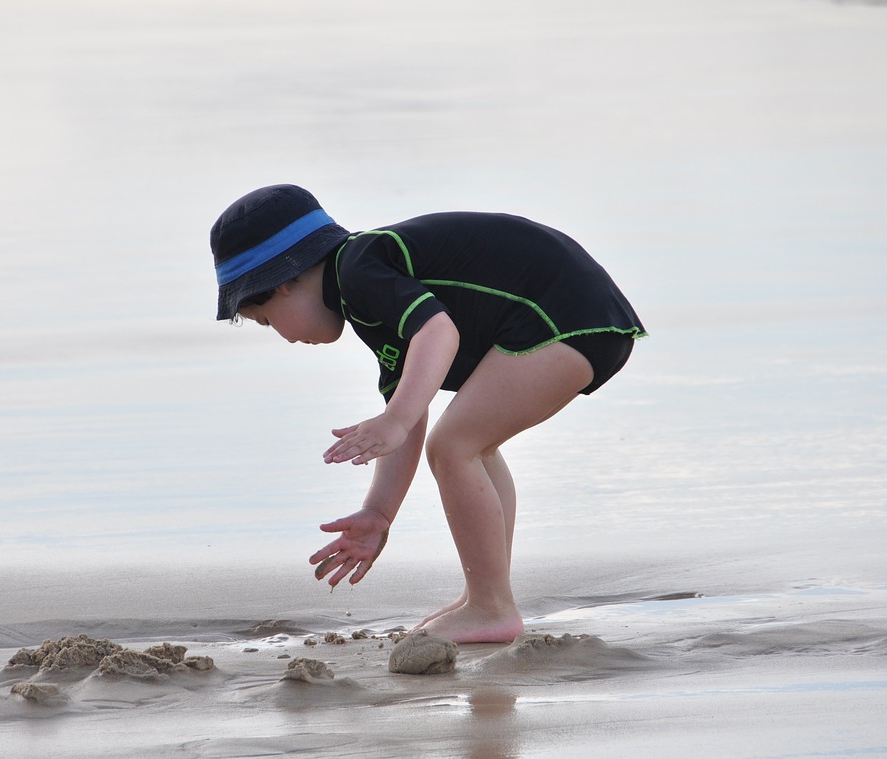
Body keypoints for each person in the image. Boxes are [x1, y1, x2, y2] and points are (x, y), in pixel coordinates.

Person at [210, 184, 645, 643]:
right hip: (580, 318)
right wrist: (379, 512)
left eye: (266, 320)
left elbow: (438, 333)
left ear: (285, 281)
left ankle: (491, 606)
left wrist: (394, 419)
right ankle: (488, 595)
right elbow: (411, 415)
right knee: (474, 445)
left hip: (562, 315)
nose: (280, 335)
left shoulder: (359, 267)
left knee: (455, 446)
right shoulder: (369, 302)